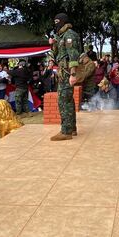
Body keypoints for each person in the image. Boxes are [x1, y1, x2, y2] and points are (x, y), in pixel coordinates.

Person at [49, 13, 80, 141]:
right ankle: (71, 128)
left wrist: (73, 74)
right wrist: (53, 44)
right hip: (63, 72)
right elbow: (57, 53)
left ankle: (66, 131)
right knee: (68, 100)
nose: (56, 24)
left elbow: (73, 55)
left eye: (58, 22)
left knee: (63, 101)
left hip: (68, 73)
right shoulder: (61, 36)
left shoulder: (69, 35)